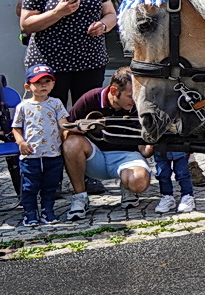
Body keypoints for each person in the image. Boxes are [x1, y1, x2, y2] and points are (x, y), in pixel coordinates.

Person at [61, 67, 155, 218]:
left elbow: (144, 148)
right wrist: (83, 129)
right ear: (113, 90)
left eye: (138, 95)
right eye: (130, 96)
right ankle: (80, 197)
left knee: (139, 182)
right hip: (95, 156)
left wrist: (150, 146)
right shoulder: (91, 99)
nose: (135, 100)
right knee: (71, 143)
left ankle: (128, 188)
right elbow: (65, 130)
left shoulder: (139, 105)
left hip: (127, 156)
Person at [12, 65, 67, 227]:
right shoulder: (23, 106)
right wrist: (21, 142)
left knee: (51, 185)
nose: (43, 85)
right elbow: (16, 127)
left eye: (47, 81)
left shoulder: (56, 103)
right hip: (31, 155)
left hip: (52, 154)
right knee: (30, 186)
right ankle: (29, 212)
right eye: (38, 82)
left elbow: (63, 124)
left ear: (53, 84)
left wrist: (69, 131)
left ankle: (47, 210)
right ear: (28, 87)